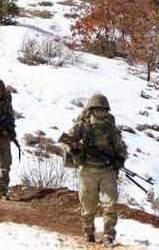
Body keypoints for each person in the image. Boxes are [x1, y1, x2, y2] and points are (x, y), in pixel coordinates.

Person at [63, 94, 128, 246]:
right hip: (88, 170)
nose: (100, 112)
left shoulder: (111, 129)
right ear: (91, 110)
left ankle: (109, 234)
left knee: (111, 202)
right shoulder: (82, 126)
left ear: (106, 111)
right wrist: (74, 150)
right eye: (97, 110)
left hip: (107, 170)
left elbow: (121, 147)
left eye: (103, 110)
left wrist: (120, 159)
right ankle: (89, 231)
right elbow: (66, 141)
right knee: (88, 205)